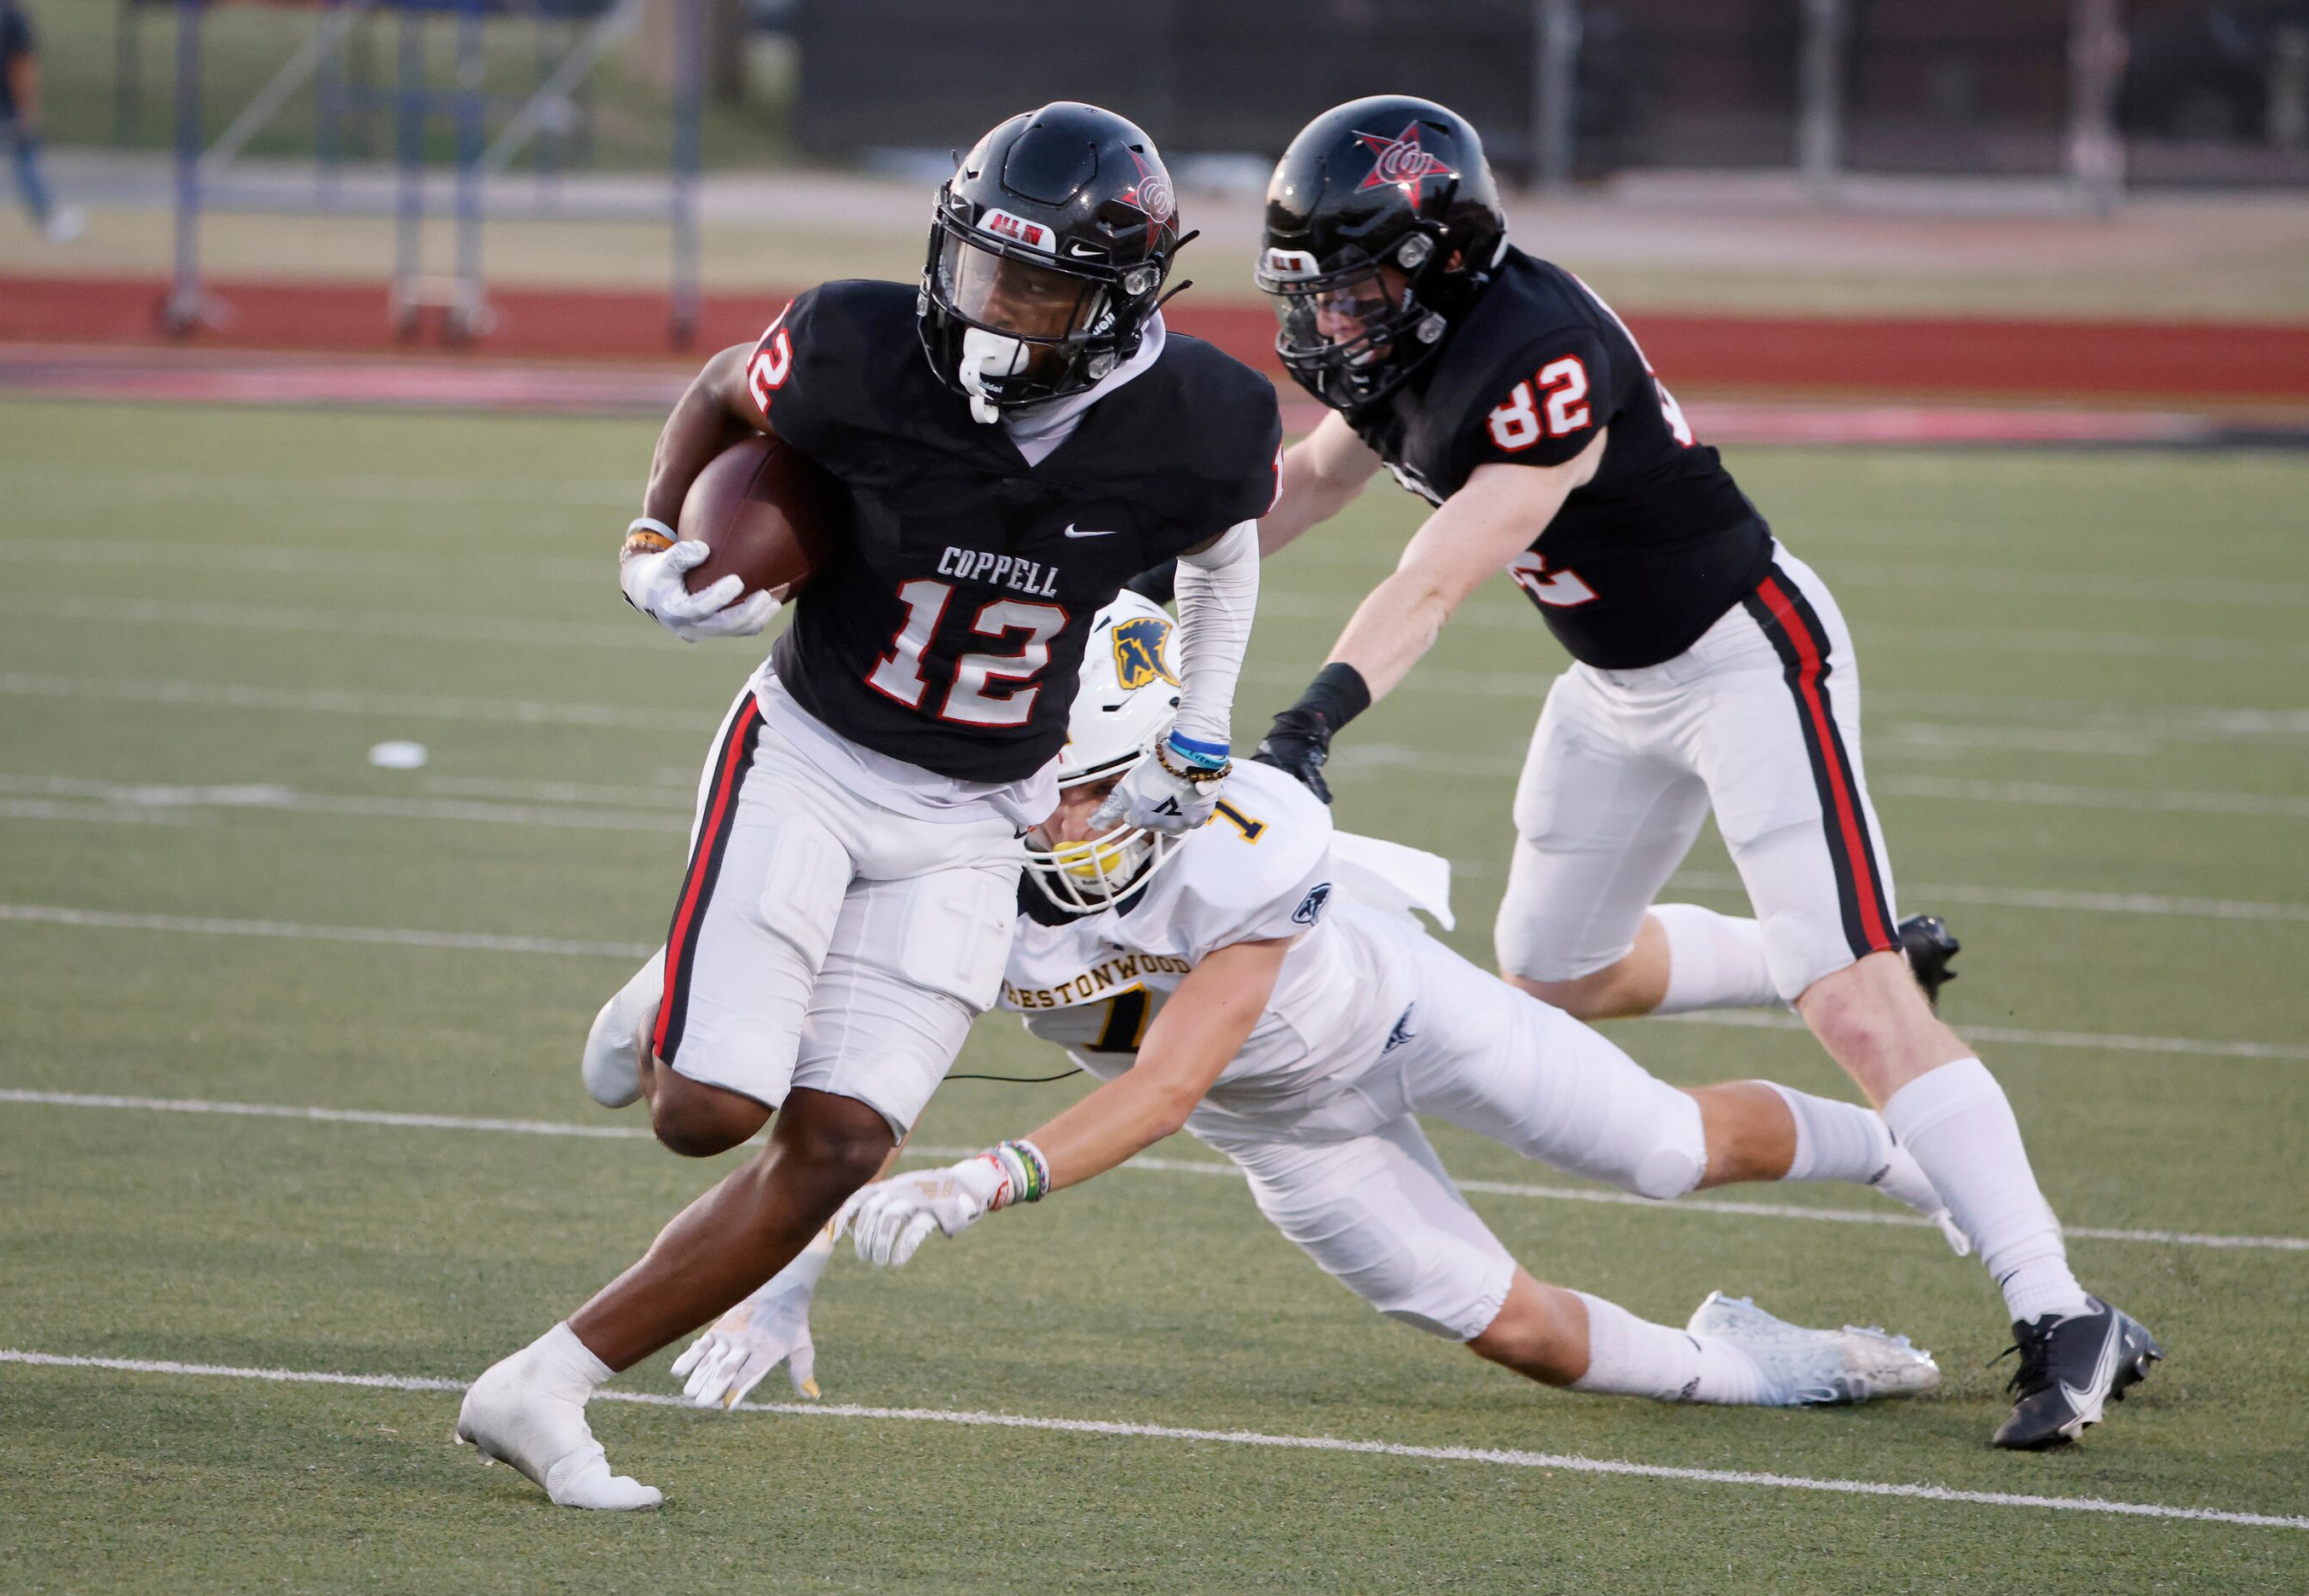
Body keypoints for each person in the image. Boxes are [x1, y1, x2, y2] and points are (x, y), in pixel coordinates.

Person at [1234, 96, 2156, 1449]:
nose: (1337, 313)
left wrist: (1314, 717)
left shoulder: (1537, 351)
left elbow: (1435, 574)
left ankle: (2059, 1304)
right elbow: (1308, 481)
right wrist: (1154, 563)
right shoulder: (1409, 345)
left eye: (1361, 276)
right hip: (1613, 685)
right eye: (1320, 284)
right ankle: (1865, 940)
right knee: (1553, 975)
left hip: (1744, 659)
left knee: (1851, 1005)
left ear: (1441, 256)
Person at [454, 103, 1281, 1510]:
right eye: (980, 269)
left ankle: (542, 1384)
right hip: (814, 755)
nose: (995, 308)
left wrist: (1198, 736)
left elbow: (1223, 549)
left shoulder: (1199, 421)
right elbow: (724, 387)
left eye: (1039, 286)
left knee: (840, 1146)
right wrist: (655, 530)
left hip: (982, 806)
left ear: (1123, 294)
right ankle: (673, 994)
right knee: (703, 1111)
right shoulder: (853, 344)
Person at [657, 595, 1954, 1416]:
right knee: (1525, 1337)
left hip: (1403, 1014)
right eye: (1041, 784)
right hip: (1284, 1134)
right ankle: (1750, 1368)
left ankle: (1909, 1152)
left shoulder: (1238, 841)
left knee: (1669, 1148)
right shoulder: (948, 879)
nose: (1062, 818)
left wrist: (983, 1180)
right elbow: (845, 1096)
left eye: (1091, 786)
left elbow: (1164, 1084)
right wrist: (783, 1274)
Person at [0, 0, 82, 250]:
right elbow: (20, 65)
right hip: (5, 104)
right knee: (24, 162)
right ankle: (48, 221)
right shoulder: (13, 17)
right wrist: (27, 108)